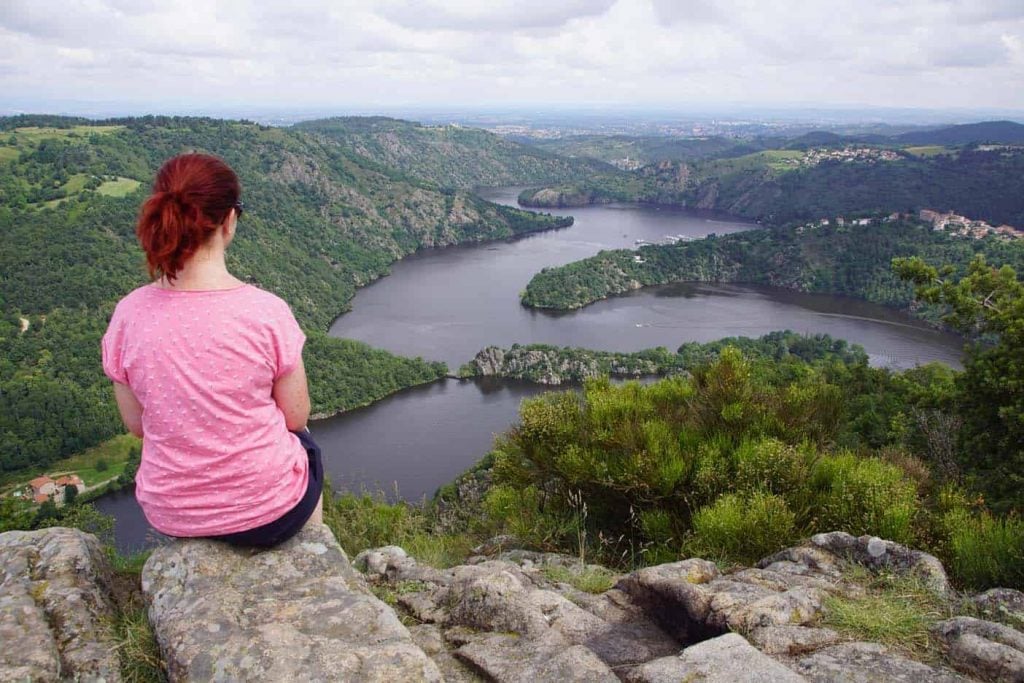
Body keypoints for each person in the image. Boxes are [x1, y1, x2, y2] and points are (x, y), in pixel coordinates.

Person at [101, 153, 323, 547]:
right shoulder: (265, 311)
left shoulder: (128, 314)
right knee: (307, 445)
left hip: (172, 513)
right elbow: (295, 415)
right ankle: (314, 553)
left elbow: (137, 424)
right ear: (230, 220)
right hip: (270, 513)